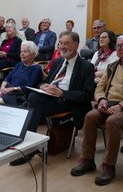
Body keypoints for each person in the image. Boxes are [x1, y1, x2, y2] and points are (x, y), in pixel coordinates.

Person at [70, 35, 123, 185]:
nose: (119, 48)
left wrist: (121, 106)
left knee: (113, 121)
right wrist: (101, 100)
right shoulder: (112, 66)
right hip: (110, 104)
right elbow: (100, 87)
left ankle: (109, 166)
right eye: (118, 45)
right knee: (90, 116)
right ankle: (88, 160)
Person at [13, 31, 95, 166]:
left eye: (66, 43)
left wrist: (62, 93)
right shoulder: (57, 62)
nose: (62, 46)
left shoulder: (87, 67)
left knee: (30, 106)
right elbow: (46, 81)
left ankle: (28, 147)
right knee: (33, 98)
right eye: (60, 43)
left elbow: (86, 95)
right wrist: (43, 86)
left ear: (76, 45)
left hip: (68, 102)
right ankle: (31, 147)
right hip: (49, 98)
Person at [0, 41, 41, 106]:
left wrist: (11, 89)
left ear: (33, 54)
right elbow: (8, 77)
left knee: (1, 102)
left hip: (21, 95)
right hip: (9, 91)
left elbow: (29, 86)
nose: (22, 54)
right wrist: (2, 87)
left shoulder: (36, 68)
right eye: (21, 51)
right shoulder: (19, 64)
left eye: (25, 52)